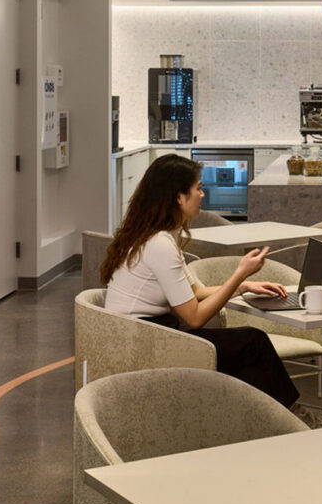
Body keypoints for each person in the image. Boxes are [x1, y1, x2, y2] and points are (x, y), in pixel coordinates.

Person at [100, 154, 299, 408]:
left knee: (250, 370)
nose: (202, 195)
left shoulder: (152, 236)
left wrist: (243, 287)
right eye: (198, 189)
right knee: (254, 342)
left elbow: (194, 291)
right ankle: (294, 418)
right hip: (147, 345)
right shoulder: (160, 244)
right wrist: (240, 274)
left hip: (143, 336)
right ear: (178, 197)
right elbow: (194, 317)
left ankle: (278, 422)